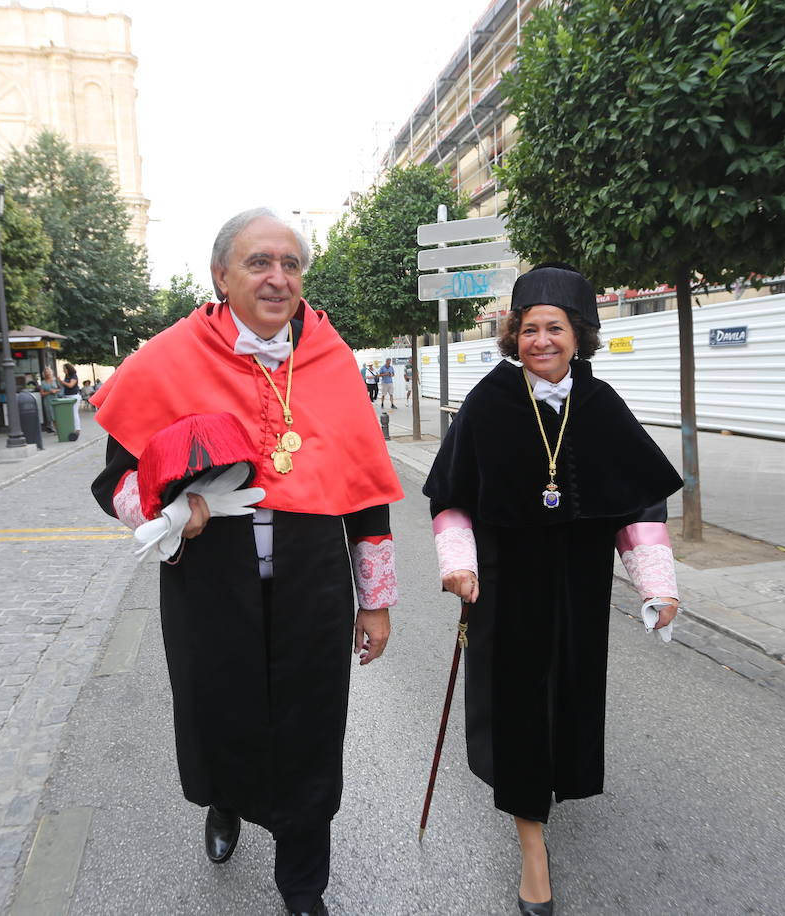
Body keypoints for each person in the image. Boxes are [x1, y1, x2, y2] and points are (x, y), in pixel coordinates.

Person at [91, 208, 403, 916]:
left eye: (291, 264)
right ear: (221, 276)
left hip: (313, 584)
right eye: (260, 262)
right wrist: (169, 514)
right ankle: (225, 800)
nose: (278, 277)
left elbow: (367, 491)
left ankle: (302, 884)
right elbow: (113, 482)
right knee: (219, 712)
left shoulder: (330, 359)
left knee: (311, 727)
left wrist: (376, 600)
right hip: (210, 583)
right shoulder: (169, 359)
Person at [422, 264, 684, 915]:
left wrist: (657, 586)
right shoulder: (487, 403)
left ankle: (549, 792)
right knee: (516, 717)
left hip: (579, 591)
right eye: (529, 328)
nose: (541, 340)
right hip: (505, 594)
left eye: (554, 328)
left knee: (565, 707)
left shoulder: (602, 407)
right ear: (515, 335)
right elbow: (452, 501)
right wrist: (459, 562)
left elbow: (638, 507)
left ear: (578, 335)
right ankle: (532, 848)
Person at [60, 362, 82, 433]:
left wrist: (61, 381)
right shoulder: (67, 376)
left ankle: (77, 428)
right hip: (67, 396)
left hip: (74, 396)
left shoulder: (73, 376)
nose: (63, 370)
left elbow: (70, 385)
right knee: (69, 413)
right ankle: (71, 427)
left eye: (64, 369)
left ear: (68, 369)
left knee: (74, 412)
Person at [39, 367, 59, 433]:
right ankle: (57, 430)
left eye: (48, 372)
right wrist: (49, 392)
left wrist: (55, 390)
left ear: (51, 372)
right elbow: (41, 394)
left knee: (58, 414)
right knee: (52, 416)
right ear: (44, 374)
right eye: (46, 373)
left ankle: (60, 428)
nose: (47, 374)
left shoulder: (55, 380)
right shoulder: (43, 383)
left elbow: (61, 389)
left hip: (56, 399)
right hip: (48, 401)